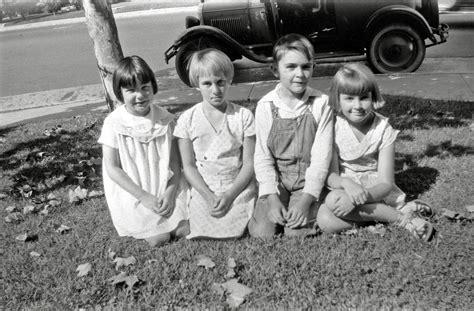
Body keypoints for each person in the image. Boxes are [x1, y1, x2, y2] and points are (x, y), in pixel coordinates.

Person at [317, 63, 434, 241]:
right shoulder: (333, 127)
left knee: (333, 203)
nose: (357, 106)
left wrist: (357, 199)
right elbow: (331, 176)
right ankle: (391, 213)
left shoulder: (383, 129)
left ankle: (404, 220)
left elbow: (386, 184)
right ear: (338, 99)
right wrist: (347, 184)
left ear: (373, 97)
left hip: (376, 192)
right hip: (344, 190)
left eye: (364, 97)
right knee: (326, 221)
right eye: (349, 98)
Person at [249, 33, 334, 237]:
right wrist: (272, 198)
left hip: (308, 181)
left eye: (306, 67)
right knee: (262, 232)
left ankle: (312, 208)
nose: (300, 74)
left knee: (295, 232)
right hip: (279, 180)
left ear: (313, 67)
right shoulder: (266, 107)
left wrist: (306, 200)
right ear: (275, 70)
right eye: (291, 67)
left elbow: (322, 159)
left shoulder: (322, 103)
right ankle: (275, 205)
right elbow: (262, 156)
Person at [98, 55, 188, 247]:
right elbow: (112, 168)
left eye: (145, 88)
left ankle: (170, 210)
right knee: (158, 239)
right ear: (120, 93)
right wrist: (143, 197)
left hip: (164, 187)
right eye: (131, 90)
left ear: (152, 87)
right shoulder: (114, 124)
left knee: (183, 229)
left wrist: (171, 192)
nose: (140, 96)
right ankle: (147, 220)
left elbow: (174, 163)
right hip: (135, 192)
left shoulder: (165, 119)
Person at [174, 49, 257, 239]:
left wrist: (229, 195)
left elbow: (249, 163)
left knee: (237, 226)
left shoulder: (242, 116)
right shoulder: (187, 120)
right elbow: (188, 165)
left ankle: (236, 210)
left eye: (220, 82)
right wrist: (208, 196)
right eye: (207, 83)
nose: (215, 90)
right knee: (201, 225)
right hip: (204, 188)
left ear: (229, 80)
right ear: (197, 84)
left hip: (236, 186)